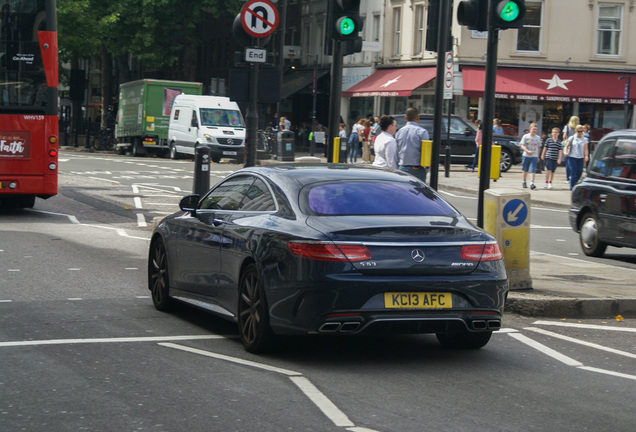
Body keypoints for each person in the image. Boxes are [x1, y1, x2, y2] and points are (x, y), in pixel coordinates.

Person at [395, 107, 429, 183]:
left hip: (402, 167)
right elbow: (425, 152)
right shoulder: (422, 132)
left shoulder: (399, 132)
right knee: (418, 192)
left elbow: (396, 151)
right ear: (418, 117)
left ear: (405, 118)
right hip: (417, 168)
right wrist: (427, 169)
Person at [563, 124, 589, 190]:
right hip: (572, 157)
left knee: (579, 172)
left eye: (581, 131)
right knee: (573, 172)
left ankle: (576, 184)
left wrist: (586, 156)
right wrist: (565, 152)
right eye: (578, 131)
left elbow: (586, 149)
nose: (580, 133)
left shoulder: (584, 139)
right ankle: (572, 187)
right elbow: (566, 146)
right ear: (575, 131)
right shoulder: (572, 138)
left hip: (580, 157)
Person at [520, 123, 541, 189]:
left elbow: (538, 147)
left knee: (532, 170)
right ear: (530, 129)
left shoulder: (538, 137)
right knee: (525, 170)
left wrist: (538, 156)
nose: (534, 130)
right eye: (533, 129)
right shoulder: (526, 136)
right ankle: (524, 181)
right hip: (526, 155)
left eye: (536, 129)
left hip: (534, 156)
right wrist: (527, 151)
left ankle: (532, 183)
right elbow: (522, 145)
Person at [562, 115, 579, 183]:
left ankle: (568, 178)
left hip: (569, 146)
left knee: (568, 163)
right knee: (576, 162)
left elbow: (564, 136)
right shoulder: (578, 128)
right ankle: (574, 176)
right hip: (576, 146)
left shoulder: (567, 127)